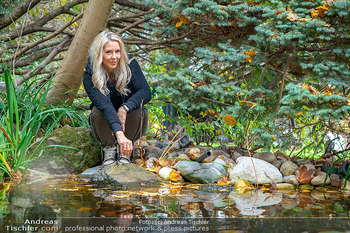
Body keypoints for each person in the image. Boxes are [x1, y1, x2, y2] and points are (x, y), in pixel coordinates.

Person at [83, 30, 151, 166]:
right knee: (98, 110)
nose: (114, 57)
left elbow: (145, 91)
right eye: (108, 52)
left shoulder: (129, 63)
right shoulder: (90, 72)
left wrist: (125, 108)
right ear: (99, 54)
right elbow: (104, 105)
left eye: (117, 51)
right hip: (103, 124)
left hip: (131, 120)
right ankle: (109, 148)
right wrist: (119, 134)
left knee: (138, 108)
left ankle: (126, 150)